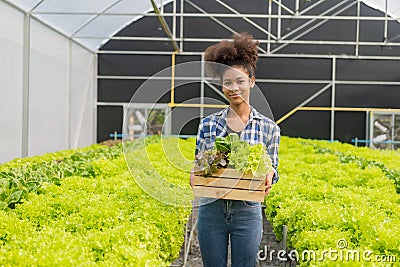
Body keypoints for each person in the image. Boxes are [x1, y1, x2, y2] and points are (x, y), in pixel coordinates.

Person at [192, 32, 280, 267]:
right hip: (212, 209)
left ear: (251, 81)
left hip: (247, 210)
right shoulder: (208, 124)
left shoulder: (269, 128)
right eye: (227, 82)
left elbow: (273, 168)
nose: (234, 88)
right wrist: (196, 173)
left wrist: (271, 175)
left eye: (240, 81)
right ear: (221, 86)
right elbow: (199, 164)